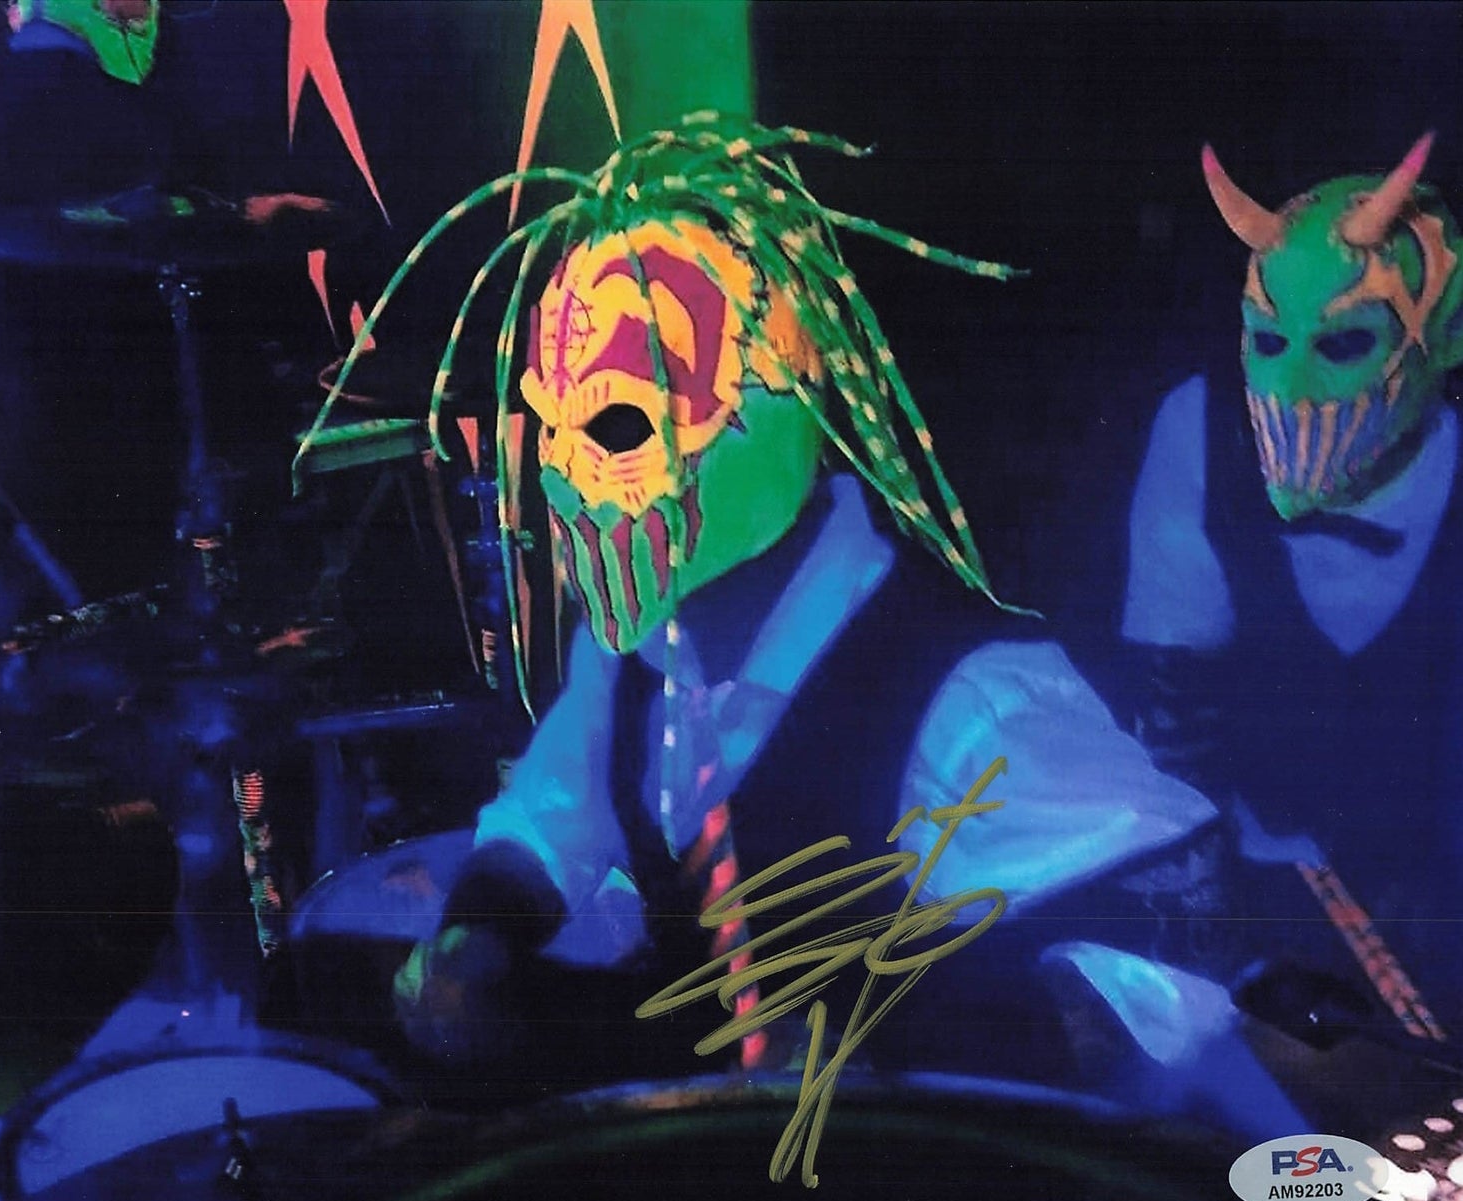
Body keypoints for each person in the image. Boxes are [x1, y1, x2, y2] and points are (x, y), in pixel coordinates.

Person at [349, 119, 1217, 1087]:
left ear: (767, 402)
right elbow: (550, 818)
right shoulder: (636, 653)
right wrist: (476, 936)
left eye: (615, 421)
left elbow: (1161, 977)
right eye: (549, 426)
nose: (560, 476)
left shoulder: (965, 695)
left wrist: (899, 1053)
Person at [1119, 134, 1463, 1072]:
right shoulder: (1203, 431)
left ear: (1446, 340)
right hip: (1255, 935)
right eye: (1268, 342)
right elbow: (1171, 739)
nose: (1292, 390)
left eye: (1344, 343)